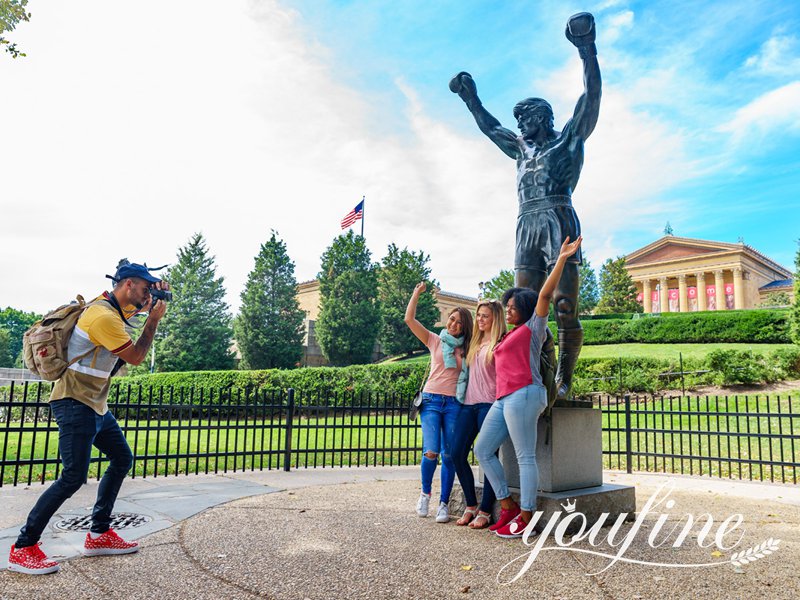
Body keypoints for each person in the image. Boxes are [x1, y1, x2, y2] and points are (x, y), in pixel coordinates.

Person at [449, 12, 601, 401]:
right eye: (516, 118)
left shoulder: (567, 140)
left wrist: (587, 49)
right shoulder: (520, 150)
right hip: (526, 224)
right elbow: (489, 126)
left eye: (525, 117)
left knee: (565, 305)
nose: (518, 124)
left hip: (558, 217)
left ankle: (564, 383)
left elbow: (591, 97)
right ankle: (535, 374)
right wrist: (471, 98)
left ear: (543, 117)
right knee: (520, 306)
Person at [8, 262, 170, 575]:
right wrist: (152, 320)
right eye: (144, 286)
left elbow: (124, 327)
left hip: (94, 404)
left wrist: (147, 308)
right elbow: (135, 357)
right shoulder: (103, 316)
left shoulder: (113, 312)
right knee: (73, 476)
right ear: (127, 285)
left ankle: (98, 534)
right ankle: (23, 547)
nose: (147, 291)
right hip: (74, 403)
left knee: (122, 458)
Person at [474, 236, 582, 539]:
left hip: (526, 393)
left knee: (524, 457)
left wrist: (561, 259)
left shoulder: (533, 328)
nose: (507, 311)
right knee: (482, 449)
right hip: (504, 398)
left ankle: (526, 515)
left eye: (511, 307)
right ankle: (506, 504)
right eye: (506, 307)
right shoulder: (506, 337)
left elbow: (545, 296)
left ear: (523, 308)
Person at [405, 282, 473, 523]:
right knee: (431, 451)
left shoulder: (468, 347)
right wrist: (416, 294)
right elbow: (410, 320)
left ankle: (443, 504)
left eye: (458, 322)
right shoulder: (435, 340)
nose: (453, 324)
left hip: (454, 403)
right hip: (432, 400)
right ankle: (425, 495)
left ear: (465, 327)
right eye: (451, 319)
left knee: (450, 455)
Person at [450, 300, 504, 529]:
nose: (480, 319)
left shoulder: (500, 343)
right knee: (455, 453)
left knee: (487, 457)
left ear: (495, 319)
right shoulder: (473, 341)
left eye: (485, 316)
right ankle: (471, 505)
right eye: (479, 315)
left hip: (489, 405)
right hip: (468, 405)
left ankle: (485, 510)